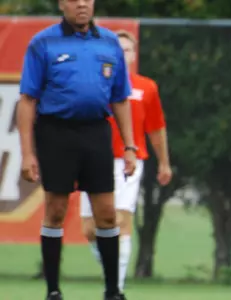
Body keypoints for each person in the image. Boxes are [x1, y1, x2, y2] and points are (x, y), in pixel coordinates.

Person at [17, 0, 136, 299]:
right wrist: (28, 153)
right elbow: (28, 101)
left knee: (107, 214)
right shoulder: (43, 43)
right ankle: (53, 290)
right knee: (55, 211)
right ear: (62, 4)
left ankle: (112, 291)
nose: (81, 4)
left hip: (96, 132)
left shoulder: (109, 43)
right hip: (55, 132)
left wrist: (131, 146)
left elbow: (120, 99)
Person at [78, 30, 173, 293]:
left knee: (119, 221)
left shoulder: (145, 88)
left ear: (133, 55)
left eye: (127, 50)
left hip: (127, 163)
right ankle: (111, 270)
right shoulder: (92, 84)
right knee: (89, 229)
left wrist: (164, 162)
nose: (122, 54)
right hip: (92, 160)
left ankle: (115, 289)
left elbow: (156, 128)